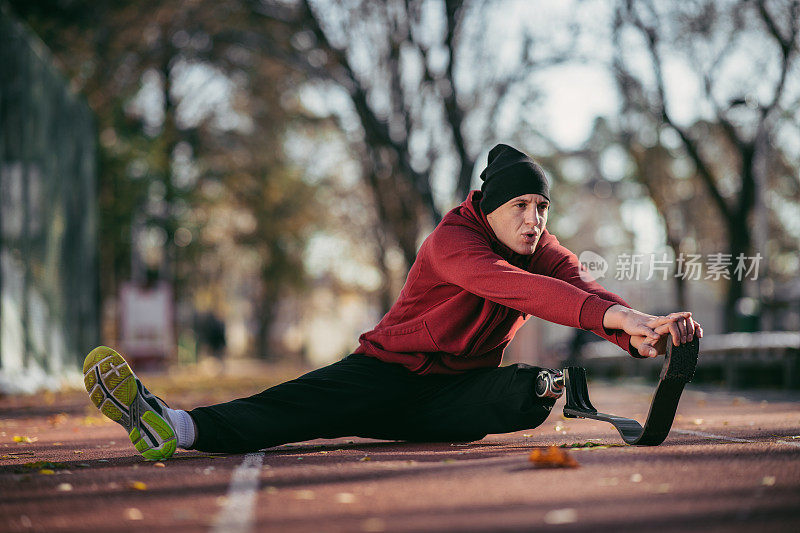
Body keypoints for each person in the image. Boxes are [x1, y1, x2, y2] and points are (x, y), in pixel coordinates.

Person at [83, 143, 702, 461]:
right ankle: (175, 423)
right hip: (385, 375)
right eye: (522, 206)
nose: (535, 219)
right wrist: (621, 318)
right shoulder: (453, 242)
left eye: (542, 208)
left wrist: (639, 332)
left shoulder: (539, 245)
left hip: (452, 397)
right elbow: (526, 292)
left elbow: (582, 288)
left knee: (540, 388)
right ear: (490, 206)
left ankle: (419, 425)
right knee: (293, 410)